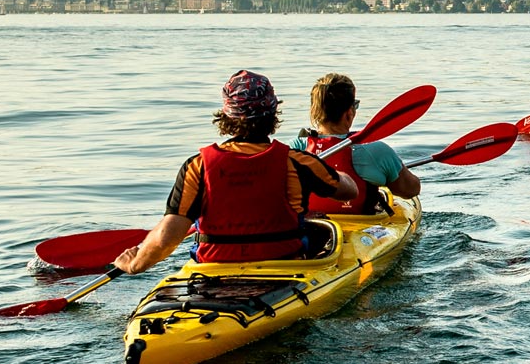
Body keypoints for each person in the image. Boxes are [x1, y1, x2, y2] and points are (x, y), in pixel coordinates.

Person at [112, 70, 364, 273]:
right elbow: (348, 191)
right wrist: (331, 170)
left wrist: (135, 263)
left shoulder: (197, 166)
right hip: (285, 265)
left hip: (213, 269)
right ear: (273, 113)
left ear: (226, 116)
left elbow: (166, 238)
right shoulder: (297, 161)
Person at [299, 73, 422, 215]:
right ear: (349, 113)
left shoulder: (295, 148)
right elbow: (411, 190)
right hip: (361, 224)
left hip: (309, 224)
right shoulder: (374, 150)